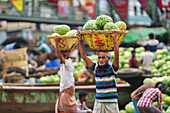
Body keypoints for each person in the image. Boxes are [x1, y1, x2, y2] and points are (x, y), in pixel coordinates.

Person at [77, 30, 120, 113]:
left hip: (111, 103)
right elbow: (84, 57)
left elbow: (117, 56)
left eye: (103, 58)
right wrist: (80, 41)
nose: (100, 60)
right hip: (98, 102)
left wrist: (114, 40)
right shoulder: (95, 68)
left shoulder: (112, 69)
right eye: (99, 58)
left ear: (108, 59)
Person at [54, 36, 77, 113]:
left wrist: (56, 43)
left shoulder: (68, 62)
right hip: (65, 91)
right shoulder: (64, 63)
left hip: (67, 91)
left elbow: (59, 56)